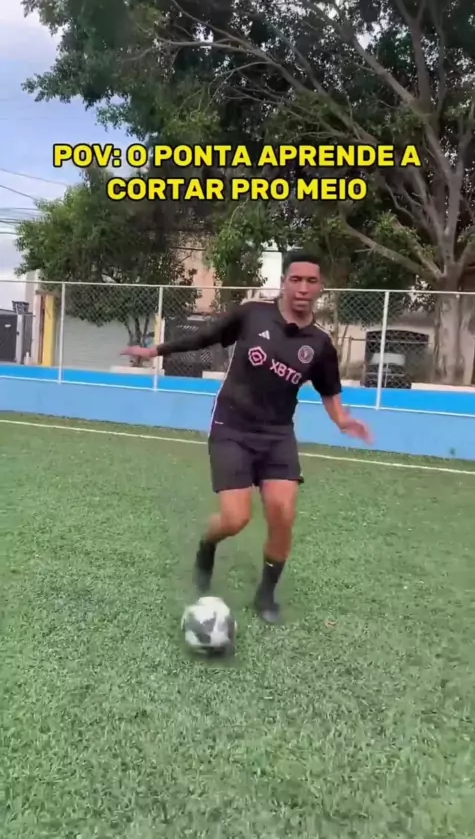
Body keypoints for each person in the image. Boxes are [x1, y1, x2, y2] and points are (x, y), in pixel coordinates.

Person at [121, 250, 372, 624]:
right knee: (235, 518)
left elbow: (329, 391)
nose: (303, 288)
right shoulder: (252, 314)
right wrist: (154, 350)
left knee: (283, 514)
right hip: (232, 426)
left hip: (277, 435)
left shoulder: (320, 344)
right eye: (296, 279)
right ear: (284, 282)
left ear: (321, 287)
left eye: (311, 281)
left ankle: (266, 596)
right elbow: (204, 337)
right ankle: (207, 546)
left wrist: (342, 420)